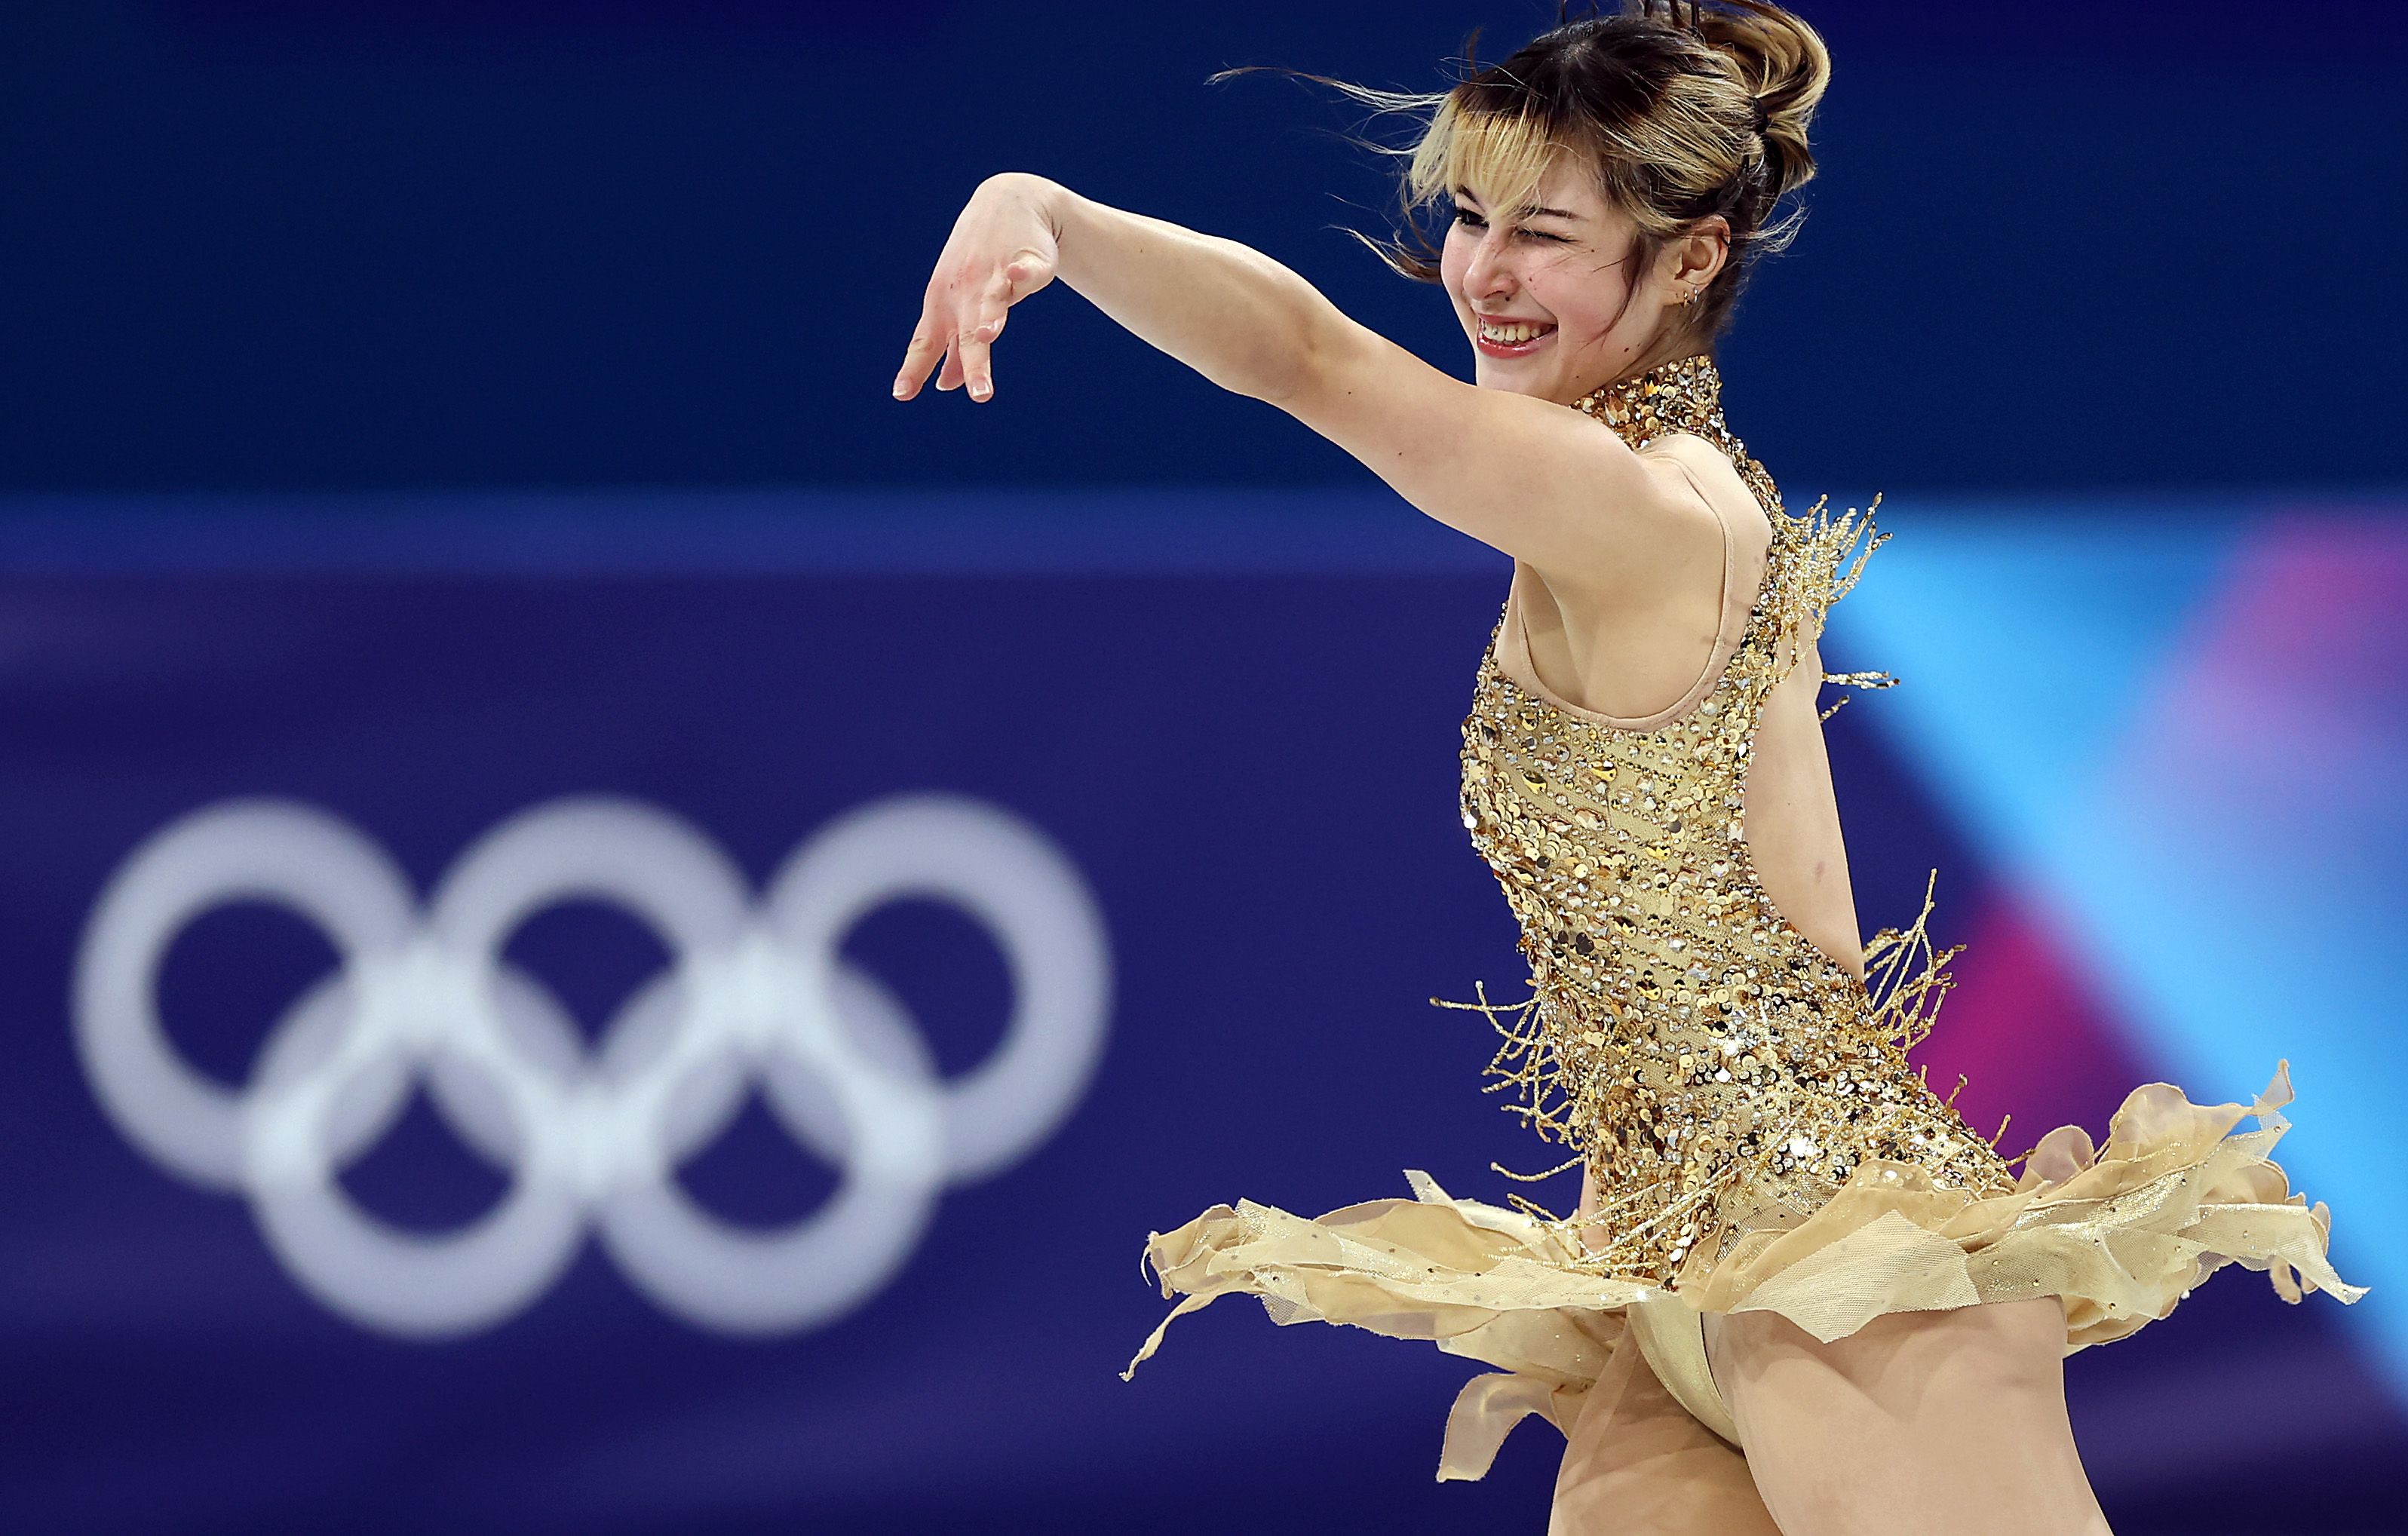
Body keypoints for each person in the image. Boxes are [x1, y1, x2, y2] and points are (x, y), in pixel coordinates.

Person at [891, 4, 2364, 1531]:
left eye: (1543, 235)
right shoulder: (1668, 498)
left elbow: (1305, 356)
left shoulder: (1642, 509)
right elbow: (1797, 920)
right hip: (1680, 1263)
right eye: (1471, 216)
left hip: (1840, 1277)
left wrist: (1051, 213)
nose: (1484, 271)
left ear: (1688, 259)